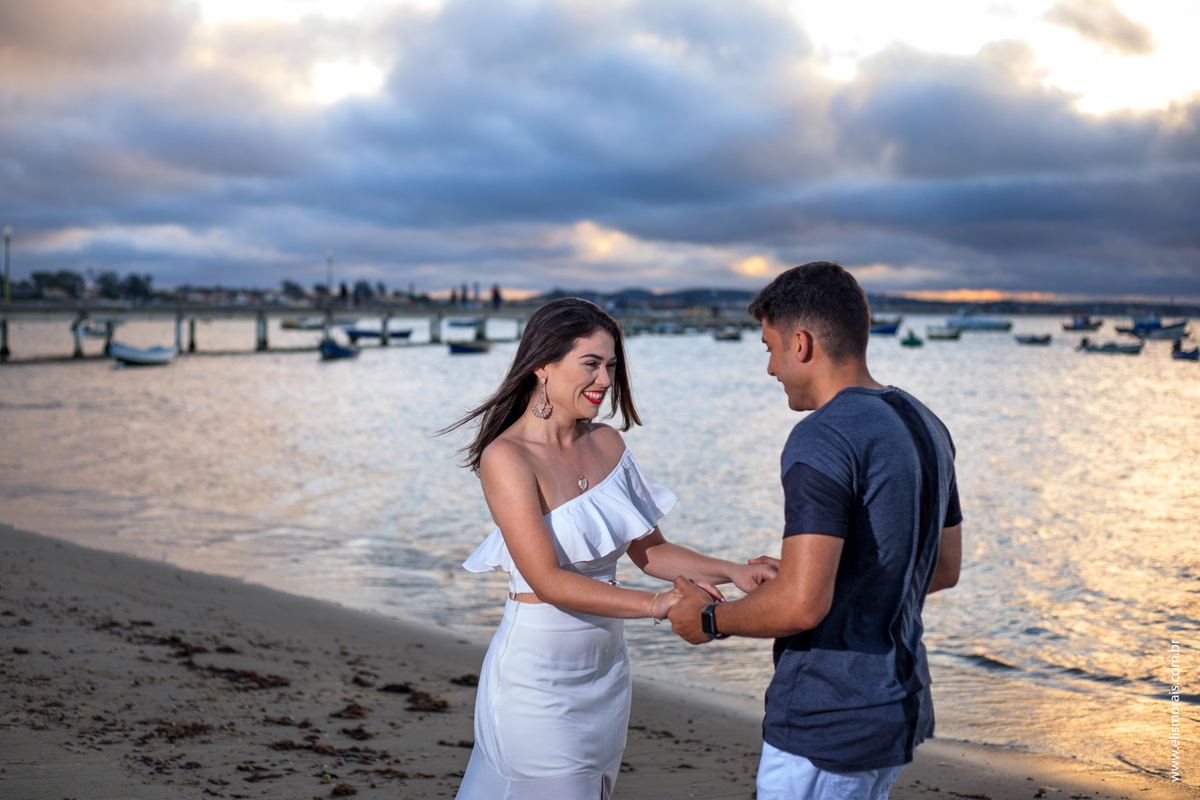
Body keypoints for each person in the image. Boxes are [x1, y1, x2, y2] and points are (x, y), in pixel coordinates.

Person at [445, 297, 776, 799]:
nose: (604, 379)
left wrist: (734, 571)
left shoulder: (607, 443)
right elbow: (547, 580)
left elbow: (651, 552)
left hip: (606, 672)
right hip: (535, 679)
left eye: (611, 365)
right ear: (542, 366)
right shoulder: (507, 457)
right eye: (591, 364)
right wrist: (659, 604)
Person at [668, 262, 963, 800]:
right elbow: (940, 568)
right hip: (899, 707)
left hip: (831, 715)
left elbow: (801, 607)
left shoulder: (823, 437)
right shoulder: (925, 423)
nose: (770, 369)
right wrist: (813, 574)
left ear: (801, 343)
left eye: (770, 348)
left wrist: (709, 619)